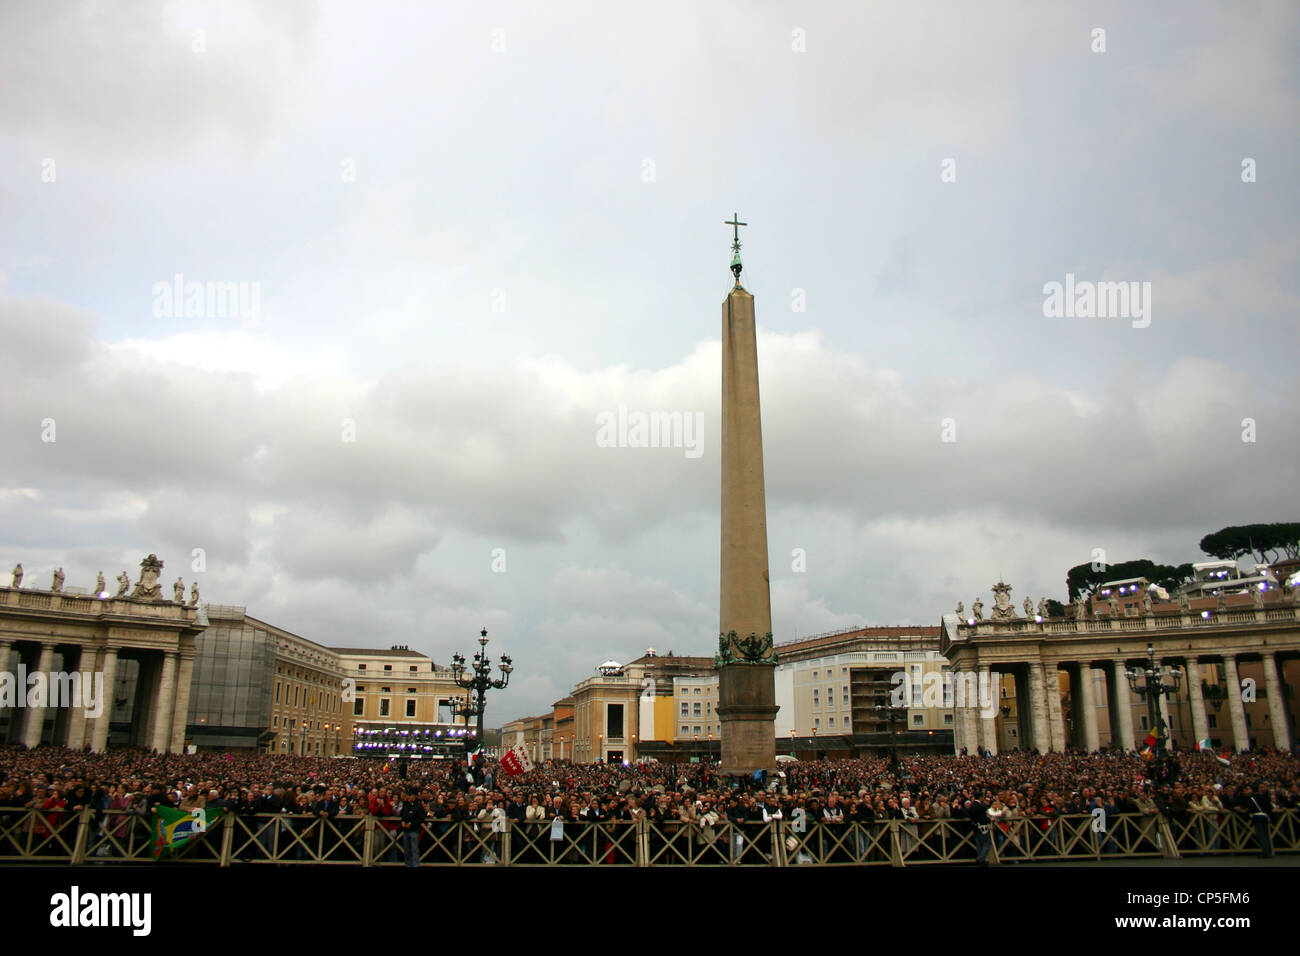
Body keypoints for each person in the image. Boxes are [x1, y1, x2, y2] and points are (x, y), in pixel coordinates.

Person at [399, 788, 426, 867]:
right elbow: (402, 814)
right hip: (406, 830)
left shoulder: (418, 806)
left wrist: (411, 823)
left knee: (414, 849)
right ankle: (407, 864)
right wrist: (403, 821)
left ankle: (415, 865)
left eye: (410, 795)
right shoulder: (406, 805)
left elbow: (421, 818)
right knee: (406, 850)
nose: (409, 797)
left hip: (414, 830)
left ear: (414, 796)